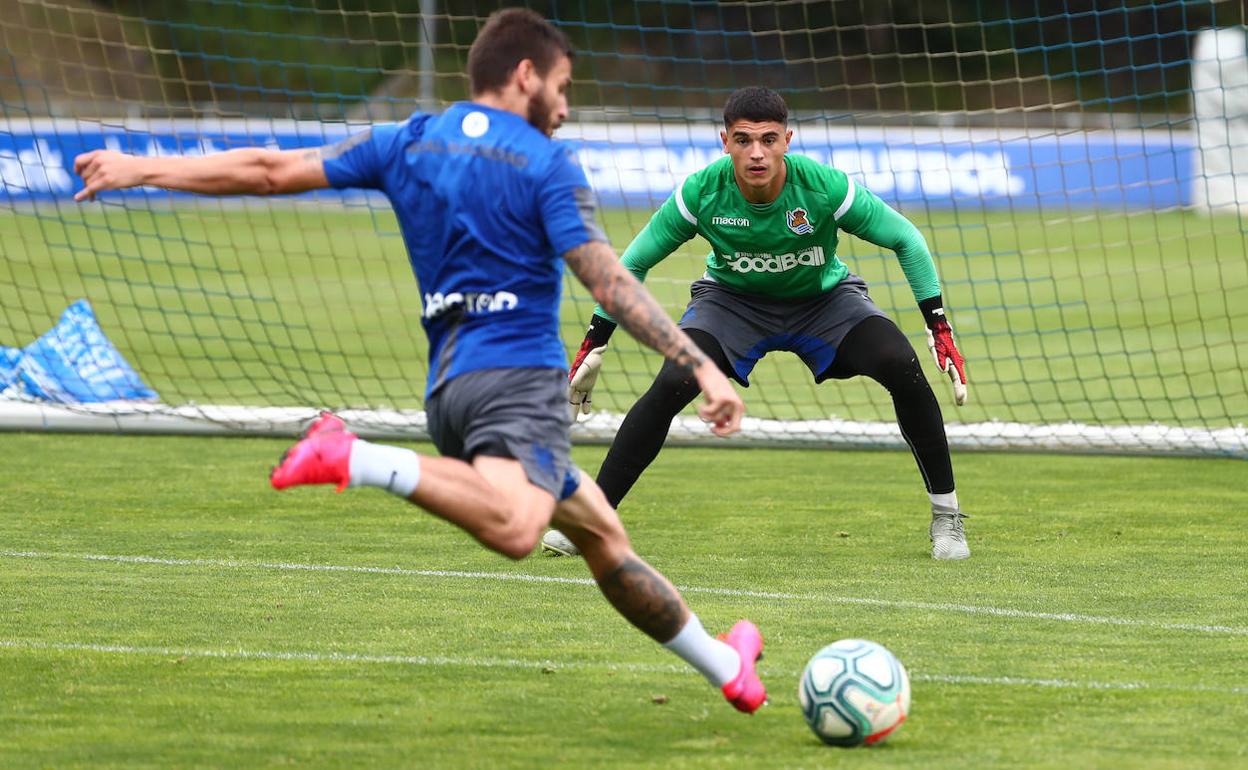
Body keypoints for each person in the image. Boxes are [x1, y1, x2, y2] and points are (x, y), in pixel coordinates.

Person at [73, 8, 767, 714]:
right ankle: (356, 457)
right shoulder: (544, 161)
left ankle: (725, 665)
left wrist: (139, 167)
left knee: (602, 538)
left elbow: (269, 169)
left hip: (451, 390)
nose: (563, 107)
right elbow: (609, 280)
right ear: (523, 75)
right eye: (559, 87)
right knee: (520, 527)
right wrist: (703, 366)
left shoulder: (408, 141)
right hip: (520, 385)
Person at [544, 86, 971, 561]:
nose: (757, 153)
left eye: (768, 139)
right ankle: (592, 517)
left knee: (900, 362)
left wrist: (938, 327)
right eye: (744, 140)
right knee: (672, 381)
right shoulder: (701, 192)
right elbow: (633, 263)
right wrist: (595, 340)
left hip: (825, 300)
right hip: (731, 303)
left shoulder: (825, 187)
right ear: (724, 142)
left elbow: (907, 240)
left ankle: (947, 519)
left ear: (787, 140)